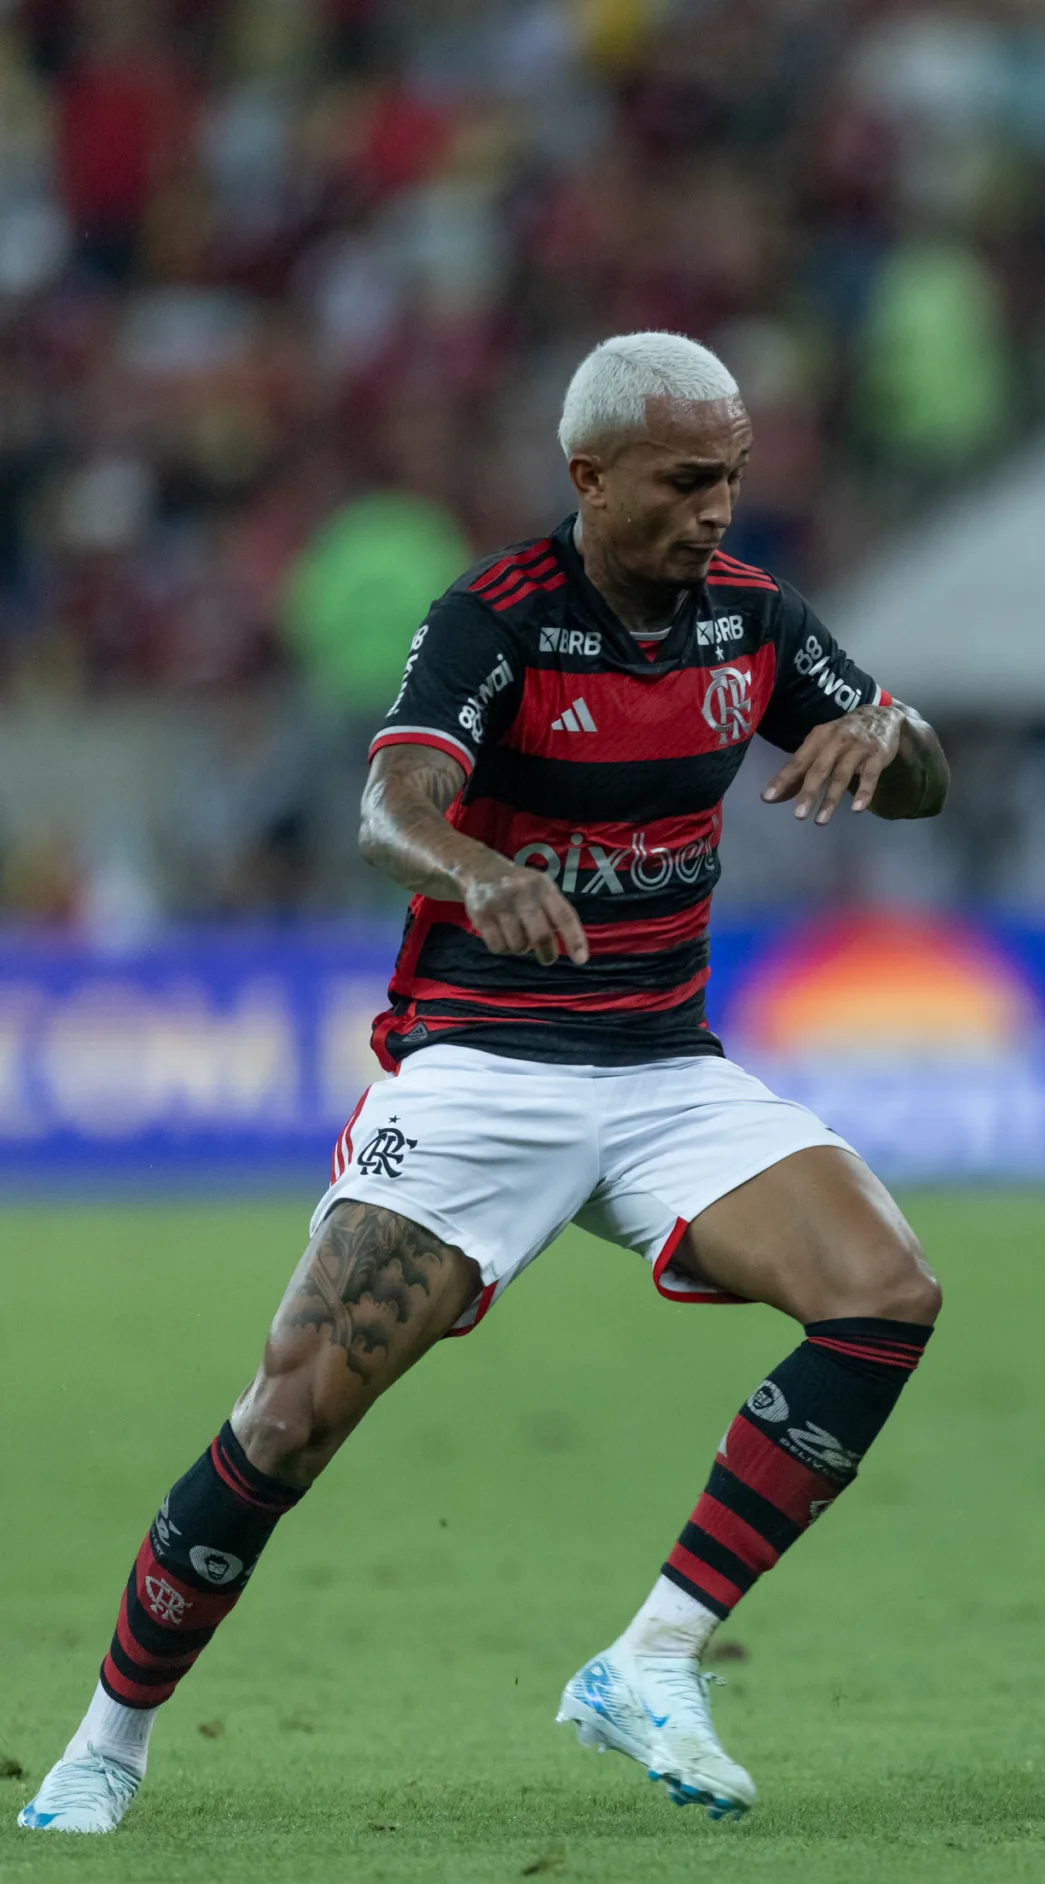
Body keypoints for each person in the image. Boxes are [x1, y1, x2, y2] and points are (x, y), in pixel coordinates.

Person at [17, 332, 951, 1835]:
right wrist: (480, 872)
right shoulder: (496, 620)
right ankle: (108, 1739)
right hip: (482, 1072)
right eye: (687, 480)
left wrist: (885, 735)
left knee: (886, 1290)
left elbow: (920, 777)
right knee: (290, 1414)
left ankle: (652, 1658)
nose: (720, 509)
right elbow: (391, 810)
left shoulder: (756, 622)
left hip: (661, 1069)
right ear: (590, 476)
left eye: (734, 477)